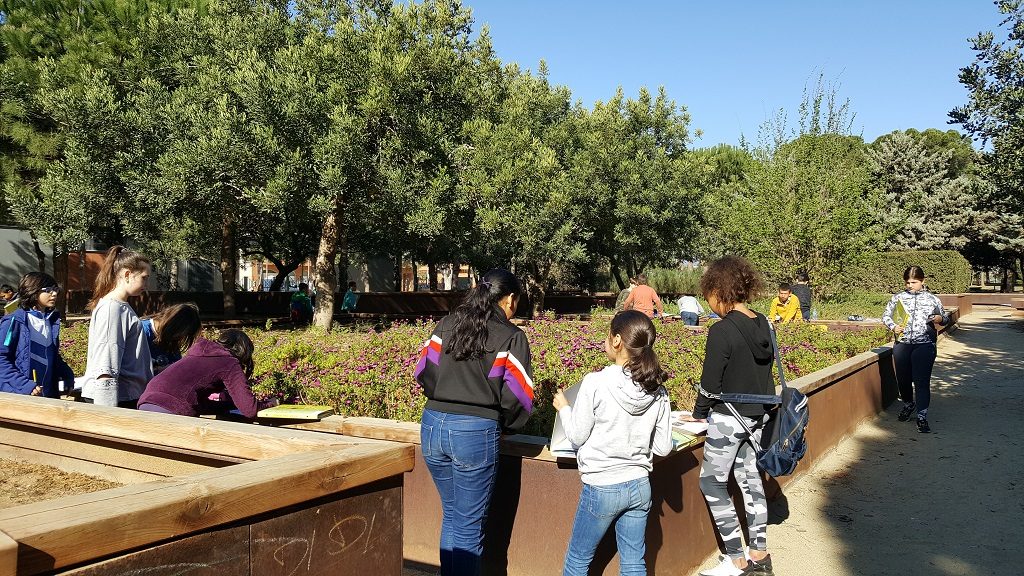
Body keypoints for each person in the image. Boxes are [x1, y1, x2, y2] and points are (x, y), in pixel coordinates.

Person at [414, 268, 534, 576]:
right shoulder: (511, 336)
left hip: (432, 426)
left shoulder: (446, 324)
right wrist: (506, 426)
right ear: (510, 298)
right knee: (468, 526)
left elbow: (423, 372)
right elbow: (518, 397)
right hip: (475, 432)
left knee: (453, 516)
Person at [553, 310, 672, 576]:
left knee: (577, 561)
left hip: (602, 486)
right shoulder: (657, 389)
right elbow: (663, 447)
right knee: (634, 563)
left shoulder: (595, 382)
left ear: (616, 340)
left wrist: (564, 409)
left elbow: (577, 436)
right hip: (640, 484)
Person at [681, 255, 774, 576]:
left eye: (708, 294)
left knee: (711, 483)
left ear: (719, 291)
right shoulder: (764, 323)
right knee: (750, 480)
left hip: (728, 418)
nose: (708, 302)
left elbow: (710, 385)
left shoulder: (721, 330)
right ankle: (760, 556)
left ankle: (736, 560)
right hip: (758, 417)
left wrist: (698, 415)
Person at [138, 329, 276, 418]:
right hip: (170, 410)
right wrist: (270, 404)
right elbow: (250, 410)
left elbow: (197, 402)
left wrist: (229, 404)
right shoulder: (229, 362)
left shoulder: (198, 353)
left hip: (145, 403)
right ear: (243, 352)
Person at [80, 246, 153, 408]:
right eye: (144, 278)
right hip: (114, 401)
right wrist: (107, 415)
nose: (146, 284)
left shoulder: (121, 306)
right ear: (127, 274)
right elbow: (106, 364)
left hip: (125, 397)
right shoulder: (112, 308)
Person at [882, 265, 948, 433]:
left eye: (914, 282)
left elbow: (945, 318)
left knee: (921, 381)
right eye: (907, 282)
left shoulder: (932, 299)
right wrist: (893, 326)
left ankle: (922, 416)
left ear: (922, 281)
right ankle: (908, 404)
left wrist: (939, 318)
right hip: (902, 345)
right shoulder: (898, 298)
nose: (910, 285)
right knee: (903, 380)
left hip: (925, 345)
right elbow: (886, 316)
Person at [0, 272, 75, 397]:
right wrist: (24, 384)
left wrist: (66, 374)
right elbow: (1, 359)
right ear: (33, 291)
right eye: (48, 290)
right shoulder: (14, 321)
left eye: (55, 290)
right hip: (20, 397)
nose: (54, 294)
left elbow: (50, 355)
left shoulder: (50, 320)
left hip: (47, 397)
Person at [141, 302, 202, 374]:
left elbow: (176, 366)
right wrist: (160, 370)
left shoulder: (172, 341)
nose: (181, 338)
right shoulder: (142, 331)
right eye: (181, 334)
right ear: (173, 326)